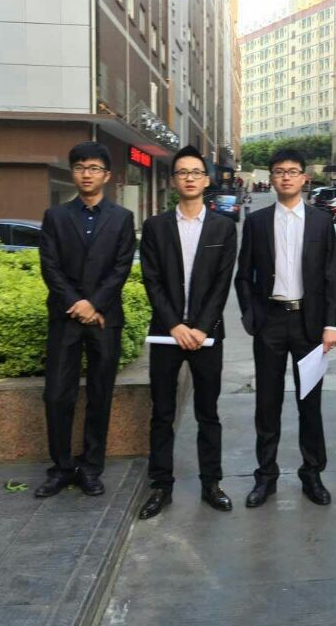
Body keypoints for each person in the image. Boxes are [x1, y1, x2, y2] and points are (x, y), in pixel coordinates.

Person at [136, 146, 238, 520]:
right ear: (173, 180)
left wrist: (199, 327)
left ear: (207, 180)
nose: (190, 178)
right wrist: (175, 325)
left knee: (208, 413)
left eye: (196, 172)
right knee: (162, 413)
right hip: (167, 334)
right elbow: (152, 280)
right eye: (183, 172)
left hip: (206, 336)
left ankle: (212, 483)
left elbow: (221, 284)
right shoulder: (155, 227)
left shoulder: (223, 228)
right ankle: (161, 486)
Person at [235, 148, 336, 507]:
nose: (286, 177)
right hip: (270, 322)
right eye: (279, 171)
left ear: (304, 178)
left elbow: (331, 276)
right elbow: (243, 276)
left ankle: (312, 474)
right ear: (272, 177)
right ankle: (266, 476)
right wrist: (251, 317)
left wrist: (331, 324)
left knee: (310, 403)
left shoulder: (321, 222)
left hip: (309, 324)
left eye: (293, 171)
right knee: (267, 403)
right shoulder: (257, 222)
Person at [36, 142, 136, 498]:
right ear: (73, 173)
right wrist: (76, 303)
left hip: (104, 319)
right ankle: (61, 467)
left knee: (99, 394)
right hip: (65, 317)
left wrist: (94, 304)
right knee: (56, 395)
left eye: (94, 168)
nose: (86, 174)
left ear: (106, 176)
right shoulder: (56, 216)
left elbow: (121, 267)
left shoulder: (122, 218)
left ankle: (92, 467)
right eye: (80, 167)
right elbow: (49, 265)